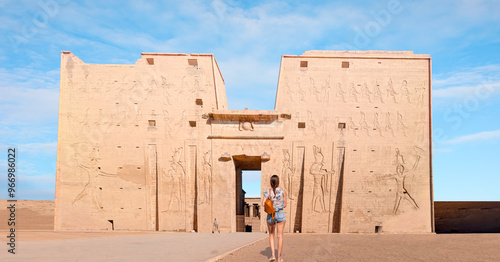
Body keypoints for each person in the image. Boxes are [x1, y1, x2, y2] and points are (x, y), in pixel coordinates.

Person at [262, 175, 287, 262]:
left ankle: (273, 255)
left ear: (271, 182)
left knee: (271, 235)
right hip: (280, 214)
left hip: (270, 215)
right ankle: (279, 258)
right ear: (278, 182)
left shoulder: (267, 192)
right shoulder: (283, 191)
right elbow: (285, 205)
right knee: (280, 236)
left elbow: (263, 204)